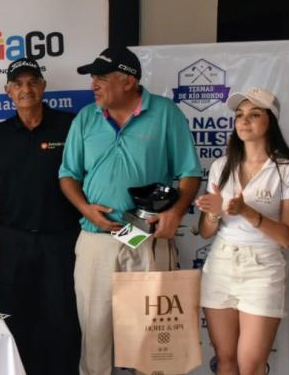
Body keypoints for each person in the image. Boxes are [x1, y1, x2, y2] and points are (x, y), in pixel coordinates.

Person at [58, 46, 202, 375]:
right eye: (92, 78)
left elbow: (190, 172)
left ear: (127, 81)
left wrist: (177, 211)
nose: (93, 84)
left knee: (154, 343)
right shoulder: (86, 117)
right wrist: (85, 208)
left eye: (101, 78)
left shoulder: (166, 113)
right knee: (95, 340)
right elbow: (67, 174)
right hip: (98, 237)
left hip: (147, 237)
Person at [195, 88, 289, 375]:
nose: (244, 121)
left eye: (254, 114)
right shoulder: (221, 166)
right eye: (239, 115)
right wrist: (213, 213)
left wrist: (247, 211)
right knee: (225, 359)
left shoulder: (288, 170)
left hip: (262, 269)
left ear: (271, 121)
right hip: (220, 264)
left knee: (250, 365)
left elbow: (288, 237)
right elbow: (205, 232)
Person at [0, 58, 80, 375]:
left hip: (61, 240)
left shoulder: (70, 126)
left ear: (43, 86)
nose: (26, 89)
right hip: (13, 241)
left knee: (62, 320)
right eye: (18, 84)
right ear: (8, 91)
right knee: (14, 319)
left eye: (32, 82)